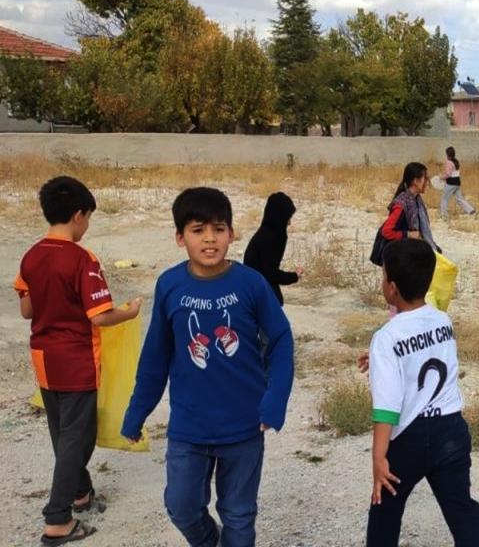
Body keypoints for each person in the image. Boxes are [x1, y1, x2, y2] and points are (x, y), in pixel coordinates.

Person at [121, 187, 294, 547]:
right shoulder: (170, 285)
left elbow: (280, 340)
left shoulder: (251, 283)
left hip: (245, 426)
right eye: (198, 230)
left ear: (231, 233)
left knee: (239, 514)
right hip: (189, 427)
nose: (210, 239)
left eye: (218, 229)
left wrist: (274, 401)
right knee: (181, 506)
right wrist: (137, 412)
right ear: (180, 237)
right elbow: (155, 356)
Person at [15, 176, 141, 545]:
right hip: (76, 359)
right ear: (78, 215)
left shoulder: (32, 255)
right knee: (78, 437)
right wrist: (129, 313)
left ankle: (80, 492)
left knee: (62, 432)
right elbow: (100, 316)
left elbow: (27, 310)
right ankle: (57, 520)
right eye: (88, 219)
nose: (87, 226)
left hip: (43, 358)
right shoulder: (82, 259)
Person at [363, 238, 479, 547]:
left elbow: (387, 406)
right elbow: (426, 351)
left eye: (383, 277)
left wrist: (379, 457)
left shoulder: (386, 337)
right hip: (451, 430)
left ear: (391, 287)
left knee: (385, 515)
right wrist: (380, 359)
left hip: (410, 439)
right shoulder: (442, 319)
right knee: (462, 510)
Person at [243, 192, 302, 307]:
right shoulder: (274, 237)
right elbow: (270, 273)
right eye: (287, 218)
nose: (289, 223)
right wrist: (295, 276)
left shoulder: (265, 231)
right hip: (258, 289)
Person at [383, 162, 440, 254]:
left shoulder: (416, 199)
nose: (427, 182)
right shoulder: (401, 205)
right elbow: (386, 231)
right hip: (404, 256)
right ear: (415, 181)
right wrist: (408, 234)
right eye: (425, 178)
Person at [440, 147, 476, 220]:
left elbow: (448, 174)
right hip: (457, 183)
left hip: (450, 183)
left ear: (447, 154)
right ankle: (470, 210)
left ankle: (444, 215)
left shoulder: (448, 162)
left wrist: (441, 177)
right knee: (460, 198)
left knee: (444, 199)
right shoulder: (456, 161)